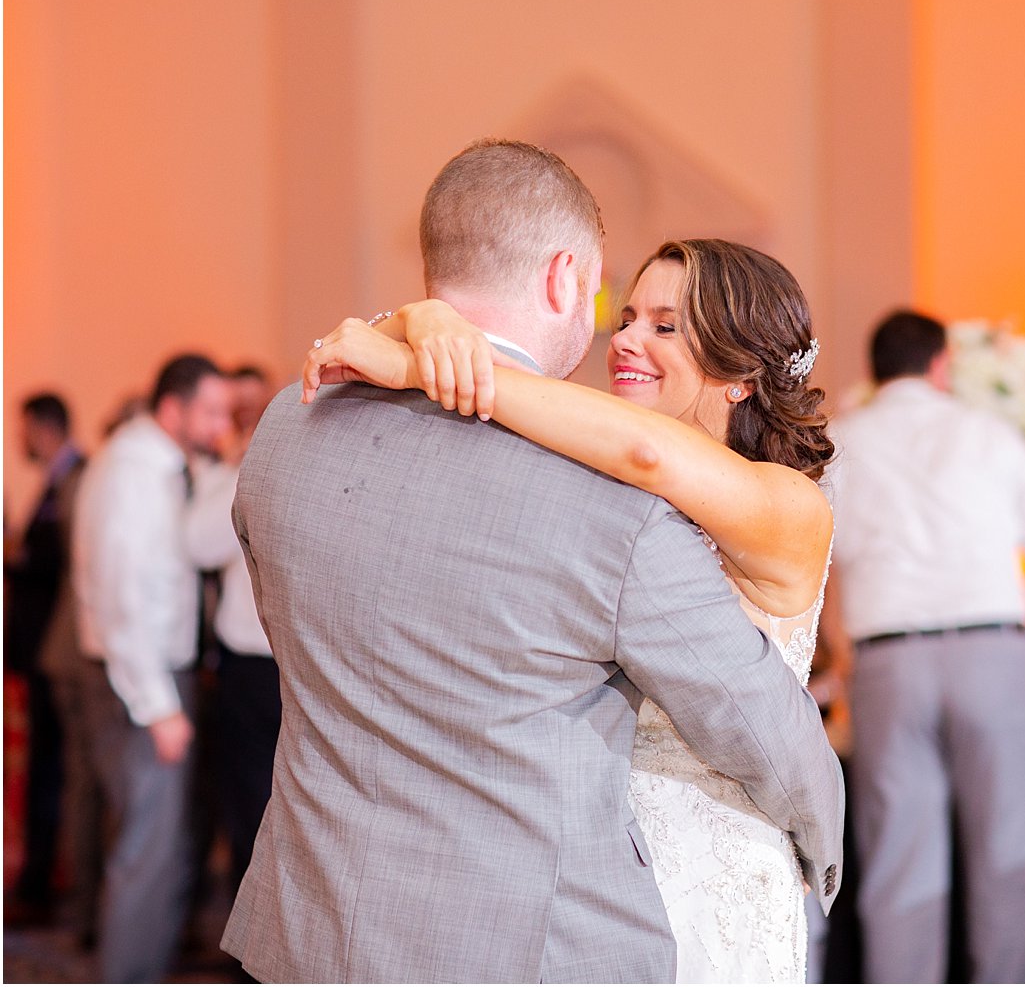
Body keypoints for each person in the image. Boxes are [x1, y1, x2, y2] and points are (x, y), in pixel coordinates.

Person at [223, 141, 844, 983]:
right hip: (546, 907)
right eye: (621, 311)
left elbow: (648, 461)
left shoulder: (287, 426)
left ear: (740, 375)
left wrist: (419, 342)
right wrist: (426, 333)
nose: (622, 336)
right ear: (565, 279)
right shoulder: (601, 495)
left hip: (689, 860)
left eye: (668, 327)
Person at [821, 309, 1025, 983]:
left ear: (876, 372)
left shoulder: (840, 444)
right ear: (941, 364)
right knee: (1007, 859)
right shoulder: (991, 433)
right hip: (995, 655)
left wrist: (843, 655)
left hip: (888, 660)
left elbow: (809, 561)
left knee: (899, 867)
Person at [72, 355, 233, 982]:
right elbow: (122, 599)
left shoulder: (162, 465)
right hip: (139, 684)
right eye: (212, 412)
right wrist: (160, 706)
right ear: (174, 408)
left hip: (152, 677)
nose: (221, 426)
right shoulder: (134, 474)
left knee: (157, 852)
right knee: (147, 855)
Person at [184, 365, 277, 892]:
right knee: (245, 807)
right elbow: (198, 544)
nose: (244, 423)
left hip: (283, 664)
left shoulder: (274, 469)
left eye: (253, 410)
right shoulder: (226, 474)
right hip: (244, 664)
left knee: (275, 808)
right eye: (236, 414)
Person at [3, 393, 88, 926]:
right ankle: (40, 878)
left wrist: (16, 556)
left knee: (51, 767)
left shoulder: (77, 476)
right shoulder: (61, 476)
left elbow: (63, 561)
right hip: (40, 645)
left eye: (24, 429)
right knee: (44, 765)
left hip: (56, 647)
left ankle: (44, 882)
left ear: (41, 427)